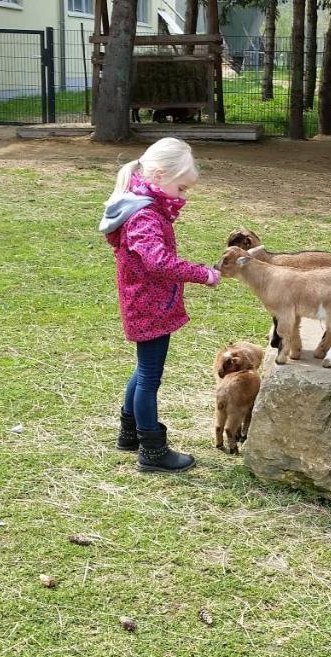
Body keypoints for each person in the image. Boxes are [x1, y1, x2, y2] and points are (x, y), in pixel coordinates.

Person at [99, 138, 219, 473]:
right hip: (149, 305)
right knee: (150, 377)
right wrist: (203, 274)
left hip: (149, 301)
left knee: (143, 372)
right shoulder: (145, 215)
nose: (183, 196)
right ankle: (152, 450)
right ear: (159, 175)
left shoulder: (142, 205)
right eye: (181, 187)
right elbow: (158, 262)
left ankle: (129, 434)